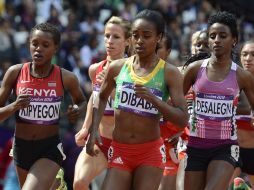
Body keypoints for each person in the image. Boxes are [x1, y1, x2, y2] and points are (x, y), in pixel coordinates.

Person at [86, 9, 189, 190]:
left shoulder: (169, 73)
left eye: (146, 36)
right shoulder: (118, 67)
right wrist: (93, 129)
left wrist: (154, 100)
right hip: (120, 150)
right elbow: (101, 97)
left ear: (159, 37)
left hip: (149, 153)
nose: (140, 41)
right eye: (135, 35)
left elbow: (182, 118)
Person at [0, 22, 87, 189]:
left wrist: (76, 110)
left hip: (49, 148)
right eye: (35, 44)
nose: (38, 49)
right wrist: (14, 106)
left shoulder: (66, 77)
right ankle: (57, 185)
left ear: (55, 48)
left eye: (45, 45)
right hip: (21, 148)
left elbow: (82, 101)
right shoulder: (15, 73)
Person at [183, 11, 254, 190]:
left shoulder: (241, 75)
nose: (216, 40)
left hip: (225, 146)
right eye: (212, 36)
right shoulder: (194, 69)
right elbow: (177, 102)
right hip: (195, 144)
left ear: (234, 40)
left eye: (223, 36)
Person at [73, 16, 132, 190]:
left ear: (127, 41)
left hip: (125, 147)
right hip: (100, 142)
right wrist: (86, 127)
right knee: (79, 183)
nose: (109, 41)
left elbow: (133, 109)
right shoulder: (95, 69)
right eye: (107, 36)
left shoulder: (134, 70)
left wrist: (110, 86)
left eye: (116, 37)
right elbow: (95, 97)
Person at [176, 29, 210, 190]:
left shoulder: (225, 75)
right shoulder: (178, 73)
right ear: (191, 47)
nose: (201, 48)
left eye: (206, 45)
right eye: (198, 44)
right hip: (188, 142)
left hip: (216, 144)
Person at [156, 31, 183, 190]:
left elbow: (188, 113)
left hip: (171, 146)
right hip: (147, 144)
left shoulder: (177, 77)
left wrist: (182, 133)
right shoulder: (136, 74)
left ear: (168, 51)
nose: (153, 50)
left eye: (158, 47)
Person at [233, 40, 254, 189]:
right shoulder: (230, 81)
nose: (248, 58)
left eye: (253, 55)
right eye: (244, 54)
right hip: (231, 149)